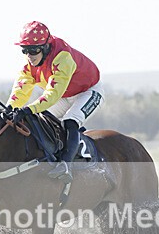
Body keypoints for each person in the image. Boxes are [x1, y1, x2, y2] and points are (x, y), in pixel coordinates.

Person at [6, 21, 104, 182]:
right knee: (42, 121)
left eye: (33, 50)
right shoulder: (29, 63)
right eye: (25, 50)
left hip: (88, 92)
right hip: (65, 95)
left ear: (45, 47)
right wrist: (11, 107)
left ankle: (66, 166)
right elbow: (21, 89)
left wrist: (28, 109)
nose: (29, 56)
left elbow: (52, 95)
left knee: (70, 121)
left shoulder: (63, 58)